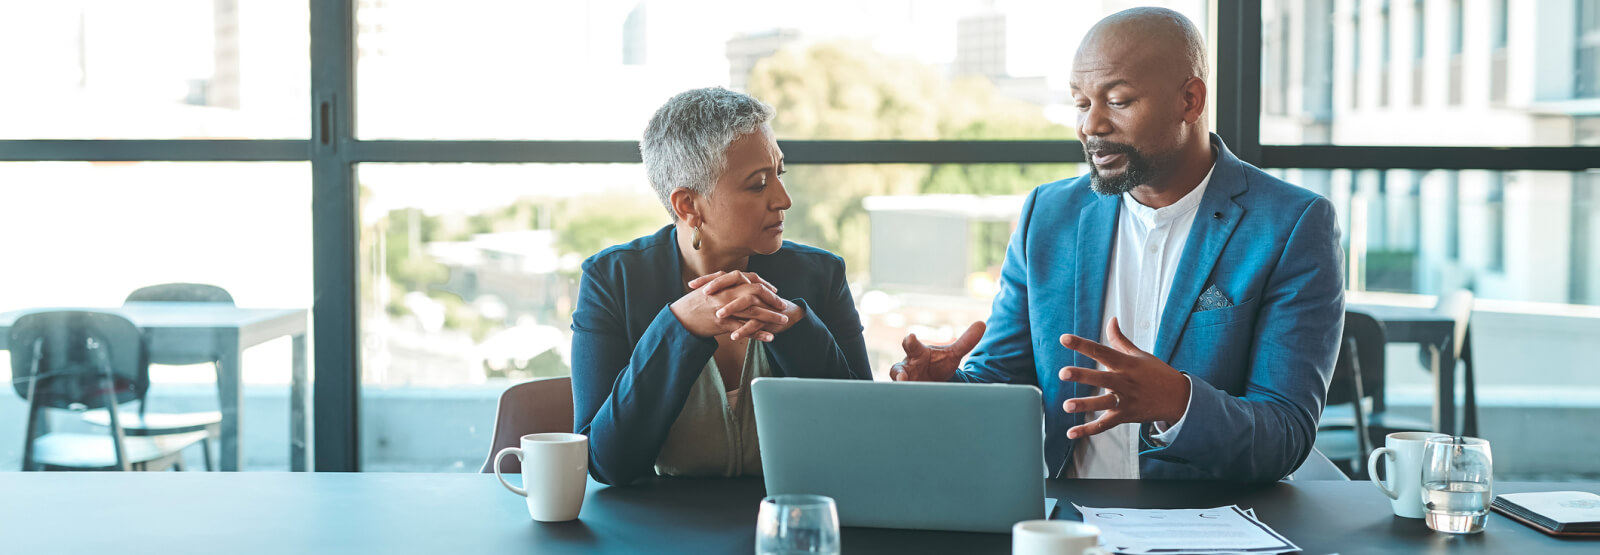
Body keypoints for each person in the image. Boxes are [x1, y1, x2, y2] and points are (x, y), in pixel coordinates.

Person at [890, 8, 1344, 482]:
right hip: (1068, 523)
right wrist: (945, 389)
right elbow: (1002, 383)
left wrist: (1178, 402)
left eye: (1119, 101)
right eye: (1081, 103)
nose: (1091, 126)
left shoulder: (1292, 224)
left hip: (1210, 526)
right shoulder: (1047, 215)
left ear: (1190, 100)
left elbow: (1286, 433)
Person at [571, 87, 872, 486]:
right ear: (688, 206)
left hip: (791, 523)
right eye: (758, 184)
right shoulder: (611, 281)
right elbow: (606, 462)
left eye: (779, 174)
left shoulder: (821, 275)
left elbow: (864, 434)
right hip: (662, 534)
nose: (784, 200)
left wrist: (796, 325)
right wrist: (679, 328)